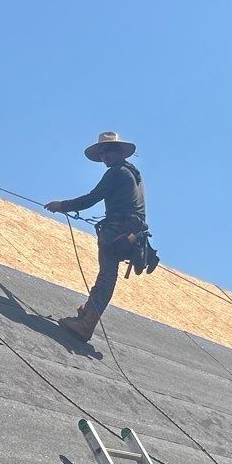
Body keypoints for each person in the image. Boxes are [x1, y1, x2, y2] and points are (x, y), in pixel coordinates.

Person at [45, 131, 156, 342]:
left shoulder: (117, 172)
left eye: (108, 151)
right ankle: (87, 313)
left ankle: (86, 324)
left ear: (118, 152)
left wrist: (62, 206)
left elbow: (92, 198)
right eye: (102, 152)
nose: (105, 155)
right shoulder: (133, 173)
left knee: (106, 276)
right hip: (131, 231)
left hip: (118, 230)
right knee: (107, 275)